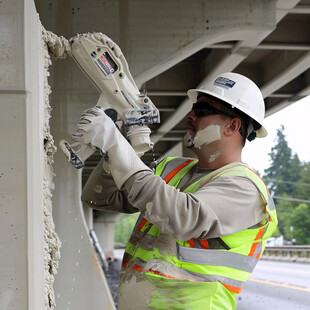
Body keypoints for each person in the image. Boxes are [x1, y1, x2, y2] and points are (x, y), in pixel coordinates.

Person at [76, 72, 278, 309]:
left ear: (233, 126)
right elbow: (99, 197)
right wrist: (122, 148)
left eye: (202, 110)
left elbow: (183, 217)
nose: (190, 115)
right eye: (194, 108)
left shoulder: (245, 188)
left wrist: (114, 144)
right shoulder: (171, 168)